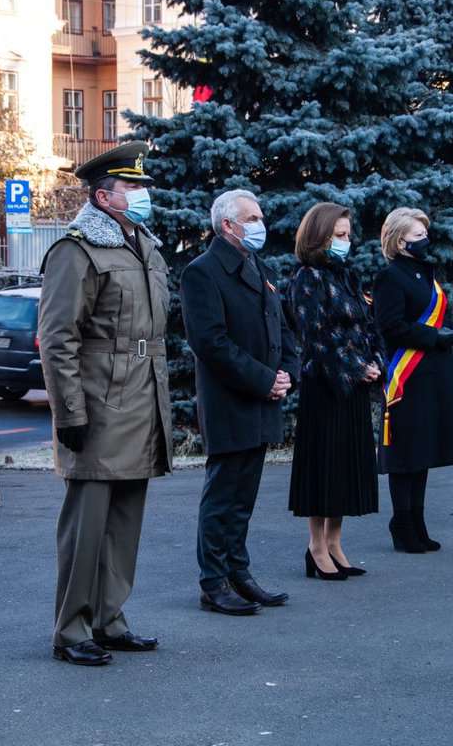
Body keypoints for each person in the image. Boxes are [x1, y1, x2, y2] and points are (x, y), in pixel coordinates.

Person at [38, 141, 172, 667]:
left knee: (124, 522)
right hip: (97, 403)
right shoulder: (77, 250)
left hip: (141, 399)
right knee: (87, 525)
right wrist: (69, 412)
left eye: (142, 187)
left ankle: (110, 620)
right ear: (103, 196)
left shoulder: (144, 244)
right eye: (132, 187)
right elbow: (58, 338)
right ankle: (71, 629)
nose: (142, 195)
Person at [180, 189, 300, 614]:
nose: (259, 224)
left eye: (259, 216)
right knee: (223, 494)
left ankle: (238, 571)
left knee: (244, 494)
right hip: (231, 400)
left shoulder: (256, 264)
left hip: (263, 398)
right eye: (251, 218)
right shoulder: (203, 272)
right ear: (227, 225)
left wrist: (287, 373)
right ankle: (214, 581)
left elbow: (283, 328)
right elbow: (210, 343)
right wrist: (265, 380)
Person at [287, 203, 384, 580]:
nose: (347, 241)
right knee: (324, 468)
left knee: (346, 468)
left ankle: (336, 543)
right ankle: (316, 546)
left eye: (348, 234)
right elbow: (316, 337)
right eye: (339, 235)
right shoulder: (307, 277)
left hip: (354, 386)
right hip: (326, 386)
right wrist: (355, 367)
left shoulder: (347, 275)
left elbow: (367, 326)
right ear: (319, 238)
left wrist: (374, 361)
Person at [373, 208, 453, 553]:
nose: (425, 241)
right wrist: (435, 336)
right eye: (418, 236)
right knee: (407, 453)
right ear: (400, 241)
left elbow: (434, 318)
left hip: (434, 373)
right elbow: (391, 325)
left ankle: (418, 522)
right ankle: (402, 524)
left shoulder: (426, 275)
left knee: (424, 450)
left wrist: (451, 332)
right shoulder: (390, 277)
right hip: (407, 376)